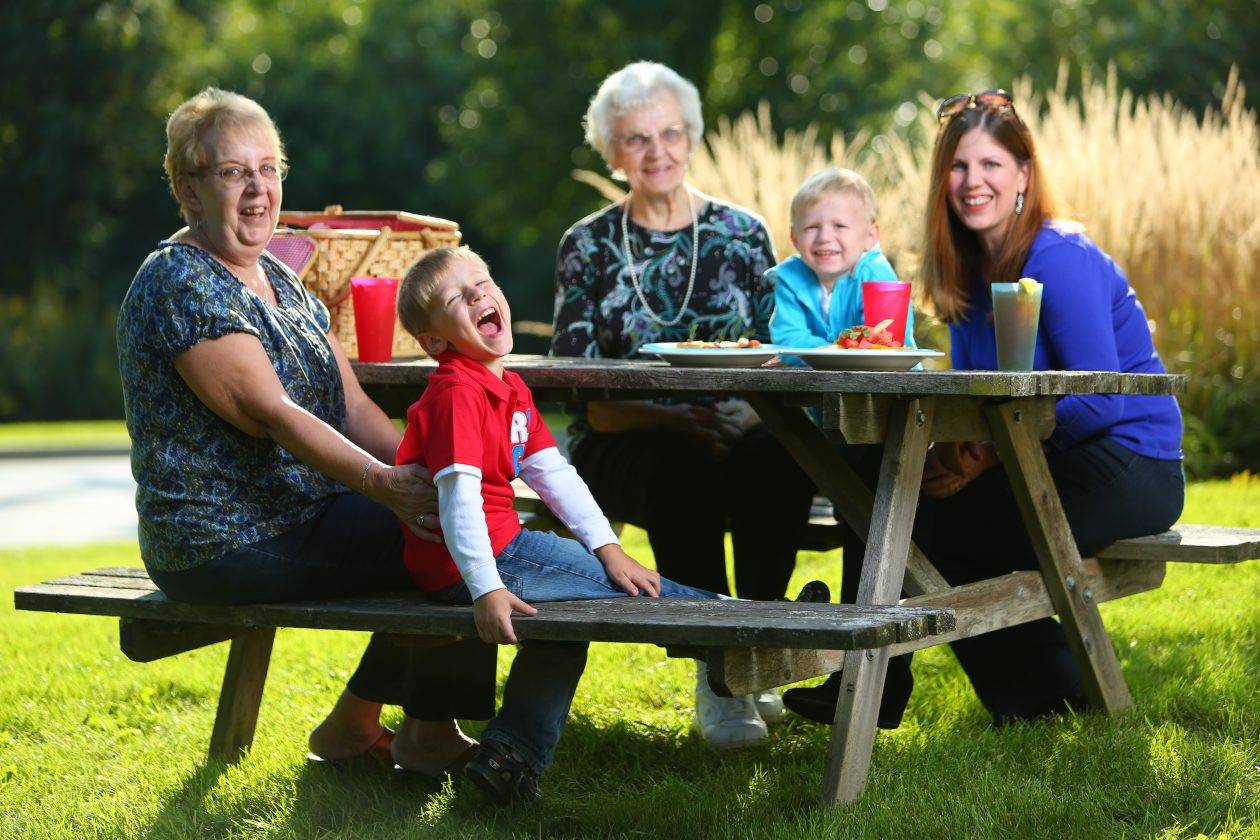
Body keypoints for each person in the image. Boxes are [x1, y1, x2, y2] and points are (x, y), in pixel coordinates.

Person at [115, 87, 495, 778]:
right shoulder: (178, 280)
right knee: (463, 537)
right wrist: (387, 488)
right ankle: (428, 734)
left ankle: (357, 724)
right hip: (221, 539)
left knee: (466, 511)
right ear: (188, 188)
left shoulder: (284, 285)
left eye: (269, 168)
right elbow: (272, 412)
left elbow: (351, 410)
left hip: (297, 518)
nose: (258, 189)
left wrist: (441, 470)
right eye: (233, 172)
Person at [784, 89, 1185, 727]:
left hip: (1130, 465)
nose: (974, 182)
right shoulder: (967, 275)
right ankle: (1041, 703)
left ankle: (884, 680)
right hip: (1037, 457)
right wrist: (953, 453)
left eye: (991, 165)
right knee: (889, 487)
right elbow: (979, 395)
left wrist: (986, 453)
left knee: (921, 529)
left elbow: (1103, 400)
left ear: (1024, 174)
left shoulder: (1061, 257)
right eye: (960, 167)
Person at [394, 245, 734, 805]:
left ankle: (508, 759)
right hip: (488, 559)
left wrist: (607, 546)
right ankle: (746, 625)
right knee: (636, 590)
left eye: (482, 281)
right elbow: (458, 498)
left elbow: (553, 473)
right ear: (435, 342)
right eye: (458, 296)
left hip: (490, 555)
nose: (479, 294)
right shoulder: (457, 393)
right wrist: (487, 589)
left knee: (576, 619)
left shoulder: (505, 385)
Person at [551, 60, 818, 748]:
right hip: (625, 439)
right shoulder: (587, 246)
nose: (657, 152)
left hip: (738, 426)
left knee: (778, 455)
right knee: (680, 463)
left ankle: (756, 647)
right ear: (612, 151)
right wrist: (673, 418)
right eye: (636, 139)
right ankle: (715, 669)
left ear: (691, 137)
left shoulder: (743, 233)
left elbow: (781, 354)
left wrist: (752, 416)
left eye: (670, 133)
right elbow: (582, 390)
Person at [768, 166, 916, 348]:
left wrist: (830, 354)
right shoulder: (790, 278)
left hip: (891, 376)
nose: (824, 237)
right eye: (811, 227)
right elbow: (788, 339)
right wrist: (835, 353)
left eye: (839, 226)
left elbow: (884, 344)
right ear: (795, 238)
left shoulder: (875, 275)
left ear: (870, 236)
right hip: (820, 376)